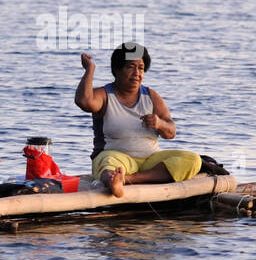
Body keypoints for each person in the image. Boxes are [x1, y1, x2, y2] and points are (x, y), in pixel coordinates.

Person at [74, 42, 202, 197]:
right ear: (117, 70)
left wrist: (159, 124)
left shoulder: (151, 96)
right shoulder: (104, 95)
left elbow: (171, 132)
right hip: (116, 157)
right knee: (107, 161)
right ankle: (115, 180)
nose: (137, 73)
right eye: (130, 67)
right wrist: (90, 70)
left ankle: (127, 180)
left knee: (193, 160)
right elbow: (84, 101)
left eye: (141, 68)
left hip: (150, 162)